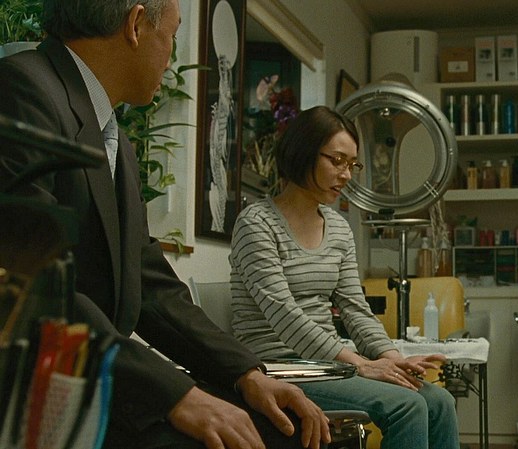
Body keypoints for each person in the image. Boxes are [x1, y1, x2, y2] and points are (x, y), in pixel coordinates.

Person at [0, 1, 330, 448]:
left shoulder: (112, 136)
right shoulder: (20, 89)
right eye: (173, 35)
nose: (172, 56)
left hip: (94, 376)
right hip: (37, 390)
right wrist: (176, 394)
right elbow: (34, 285)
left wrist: (246, 373)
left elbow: (149, 283)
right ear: (136, 24)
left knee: (282, 425)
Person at [229, 105, 461, 449]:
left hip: (327, 366)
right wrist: (360, 365)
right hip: (278, 369)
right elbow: (284, 316)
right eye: (337, 161)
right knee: (407, 406)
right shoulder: (256, 224)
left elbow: (355, 308)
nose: (347, 175)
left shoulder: (337, 228)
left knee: (440, 402)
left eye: (352, 164)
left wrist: (391, 358)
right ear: (303, 153)